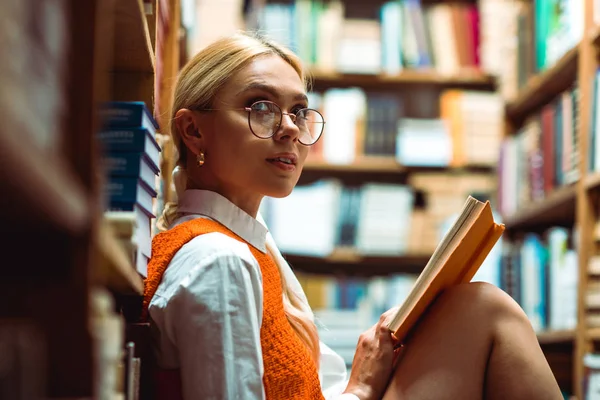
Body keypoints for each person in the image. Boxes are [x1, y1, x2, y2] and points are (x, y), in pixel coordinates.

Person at [142, 32, 563, 400]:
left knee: (477, 306)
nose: (289, 127)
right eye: (260, 107)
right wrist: (360, 389)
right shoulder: (219, 260)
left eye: (300, 110)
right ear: (194, 130)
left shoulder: (248, 244)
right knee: (487, 309)